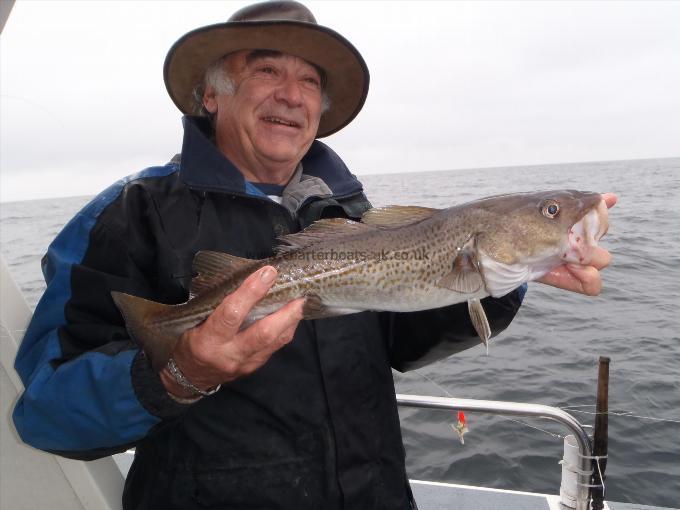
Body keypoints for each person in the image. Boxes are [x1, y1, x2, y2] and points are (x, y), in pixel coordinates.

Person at [12, 2, 615, 509]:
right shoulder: (129, 213)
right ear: (211, 95)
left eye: (310, 82)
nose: (292, 96)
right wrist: (178, 373)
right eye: (266, 70)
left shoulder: (348, 213)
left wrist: (504, 280)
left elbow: (401, 341)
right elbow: (46, 408)